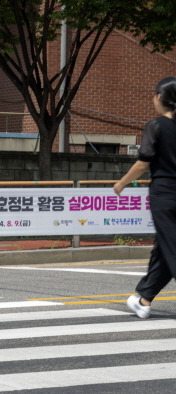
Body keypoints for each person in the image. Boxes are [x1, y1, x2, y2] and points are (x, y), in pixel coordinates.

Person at [114, 76, 176, 319]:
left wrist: (121, 183)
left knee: (171, 247)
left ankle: (144, 298)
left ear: (160, 98)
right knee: (164, 248)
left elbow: (143, 163)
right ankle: (144, 299)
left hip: (164, 194)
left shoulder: (156, 125)